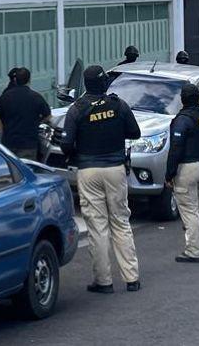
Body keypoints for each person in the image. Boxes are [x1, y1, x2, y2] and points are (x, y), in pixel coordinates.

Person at [61, 65, 142, 293]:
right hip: (115, 168)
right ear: (104, 83)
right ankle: (131, 278)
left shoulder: (77, 109)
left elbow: (66, 144)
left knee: (97, 226)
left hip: (88, 170)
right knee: (121, 221)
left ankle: (104, 281)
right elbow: (134, 132)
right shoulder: (118, 105)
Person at [167, 84, 199, 263]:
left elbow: (176, 149)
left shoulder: (183, 119)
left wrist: (169, 173)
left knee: (189, 210)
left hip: (187, 168)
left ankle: (194, 251)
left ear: (183, 99)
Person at [0, 67, 52, 160]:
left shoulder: (6, 96)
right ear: (29, 80)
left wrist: (2, 131)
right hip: (28, 144)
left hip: (9, 143)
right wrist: (38, 122)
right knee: (27, 170)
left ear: (15, 79)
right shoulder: (36, 97)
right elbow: (48, 116)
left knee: (11, 171)